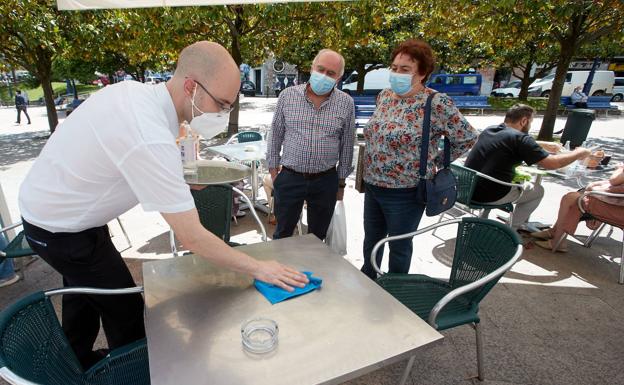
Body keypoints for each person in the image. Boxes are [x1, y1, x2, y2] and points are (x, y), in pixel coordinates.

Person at [18, 41, 308, 370]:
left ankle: (76, 363)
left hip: (63, 212)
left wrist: (179, 176)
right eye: (222, 104)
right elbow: (192, 238)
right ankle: (131, 373)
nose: (224, 114)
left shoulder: (139, 95)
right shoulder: (148, 132)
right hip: (60, 228)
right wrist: (260, 267)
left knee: (82, 294)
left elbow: (134, 158)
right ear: (191, 87)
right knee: (125, 311)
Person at [360, 39, 478, 280]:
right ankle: (368, 281)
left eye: (405, 69)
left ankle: (395, 290)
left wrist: (434, 162)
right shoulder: (384, 96)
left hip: (406, 191)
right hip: (372, 185)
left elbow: (466, 137)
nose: (396, 74)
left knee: (399, 247)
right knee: (372, 241)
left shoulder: (435, 102)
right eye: (394, 68)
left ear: (422, 73)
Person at [267, 49, 355, 240]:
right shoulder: (287, 96)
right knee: (283, 234)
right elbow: (275, 134)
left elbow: (347, 144)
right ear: (312, 68)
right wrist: (274, 173)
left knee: (317, 238)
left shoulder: (346, 103)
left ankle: (311, 271)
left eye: (331, 73)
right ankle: (281, 270)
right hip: (290, 177)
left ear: (338, 78)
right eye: (320, 69)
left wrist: (340, 184)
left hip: (325, 181)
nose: (324, 76)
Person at [464, 104, 591, 230]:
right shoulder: (520, 139)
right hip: (490, 195)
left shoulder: (490, 130)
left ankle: (483, 221)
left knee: (500, 177)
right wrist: (579, 153)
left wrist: (543, 144)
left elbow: (512, 142)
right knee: (537, 191)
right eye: (531, 122)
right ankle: (510, 230)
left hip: (467, 190)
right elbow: (552, 163)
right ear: (524, 121)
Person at [531, 164, 624, 252]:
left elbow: (614, 180)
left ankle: (558, 242)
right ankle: (554, 232)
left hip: (617, 211)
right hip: (618, 207)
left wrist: (619, 168)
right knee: (578, 194)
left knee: (569, 198)